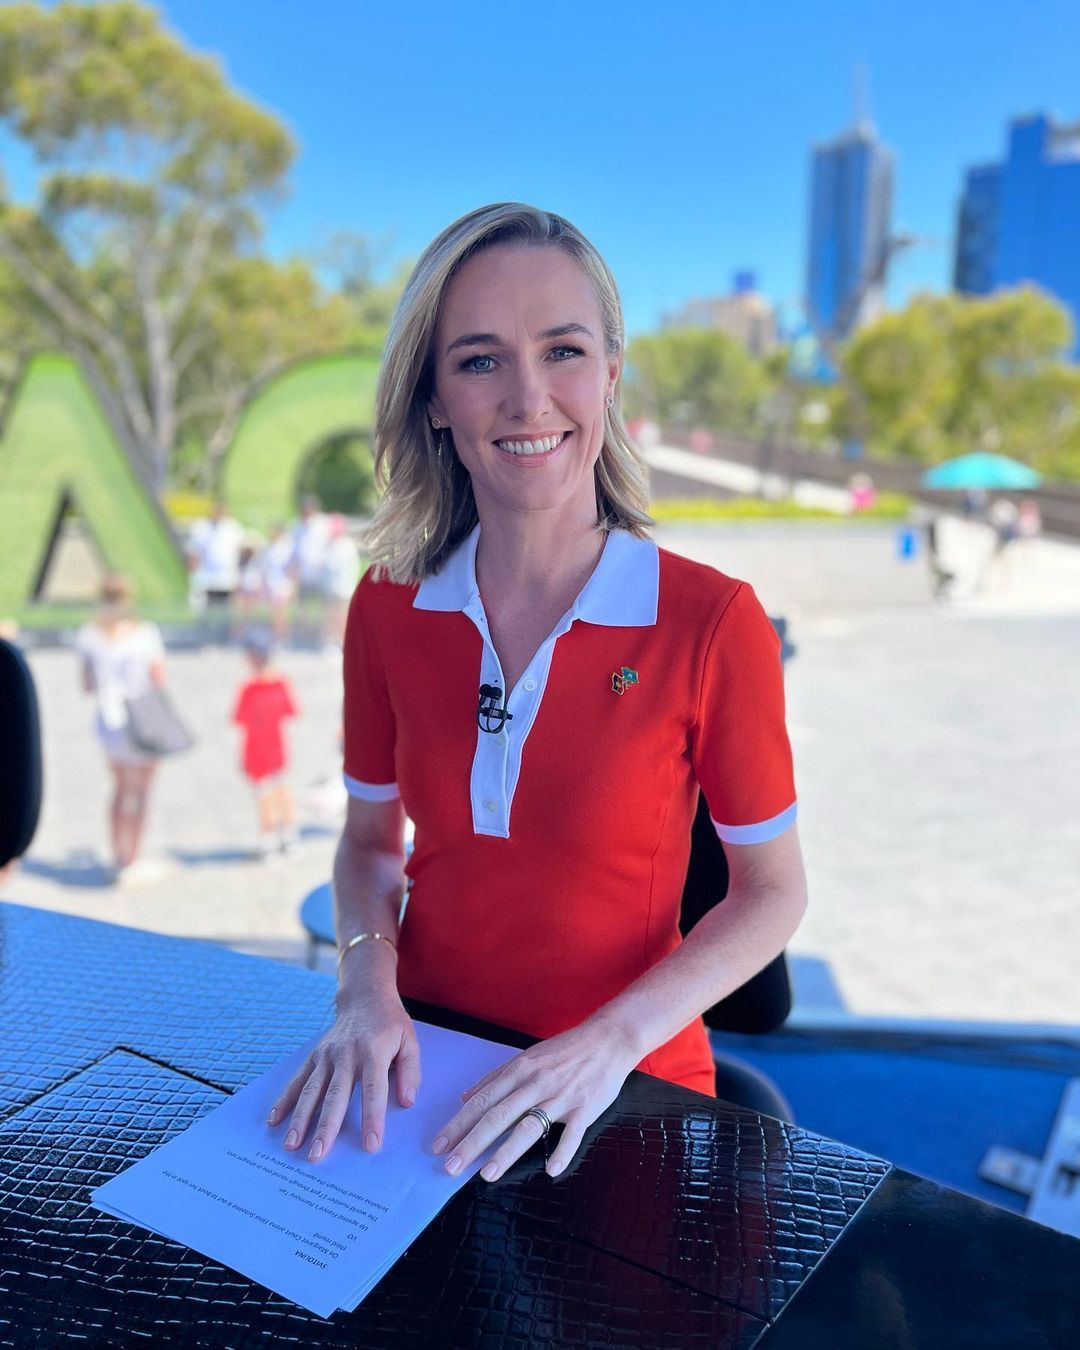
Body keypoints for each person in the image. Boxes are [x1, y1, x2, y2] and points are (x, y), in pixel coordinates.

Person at [266, 204, 807, 1182]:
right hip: (421, 1069)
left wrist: (609, 1043)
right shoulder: (386, 605)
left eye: (563, 351)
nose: (528, 397)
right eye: (479, 361)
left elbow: (772, 894)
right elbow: (369, 845)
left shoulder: (713, 621)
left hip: (628, 1089)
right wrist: (364, 991)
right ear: (434, 398)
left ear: (610, 375)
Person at [75, 573, 170, 885]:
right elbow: (158, 678)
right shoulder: (144, 633)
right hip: (141, 718)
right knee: (141, 790)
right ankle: (132, 857)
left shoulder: (90, 635)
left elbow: (87, 685)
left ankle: (118, 855)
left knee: (119, 788)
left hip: (109, 720)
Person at [231, 632, 300, 859]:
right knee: (281, 788)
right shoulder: (280, 683)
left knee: (263, 792)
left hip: (256, 747)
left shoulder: (249, 688)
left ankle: (268, 836)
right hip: (277, 744)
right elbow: (291, 711)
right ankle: (289, 833)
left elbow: (240, 720)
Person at [186, 500, 245, 631]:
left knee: (225, 612)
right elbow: (194, 553)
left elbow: (241, 552)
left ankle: (223, 634)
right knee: (206, 612)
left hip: (227, 579)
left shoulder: (233, 529)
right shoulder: (202, 528)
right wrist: (193, 575)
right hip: (207, 579)